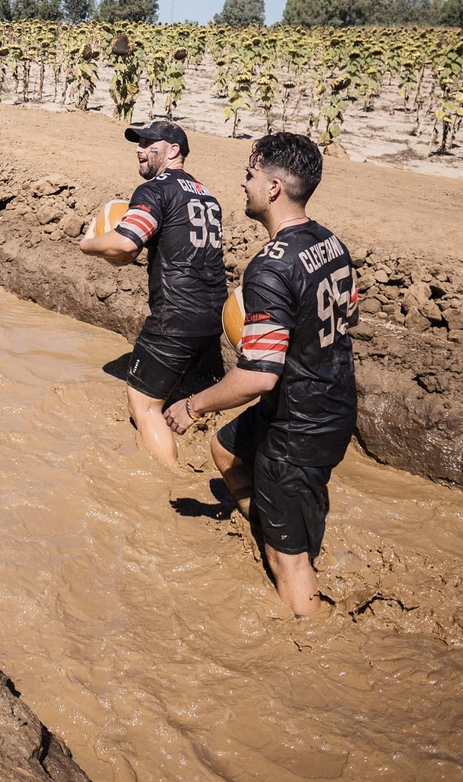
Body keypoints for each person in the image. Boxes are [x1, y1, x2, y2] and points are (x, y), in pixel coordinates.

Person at [166, 133, 358, 617]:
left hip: (296, 428)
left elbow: (259, 377)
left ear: (273, 187)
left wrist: (192, 406)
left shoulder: (270, 269)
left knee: (287, 560)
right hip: (331, 404)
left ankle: (311, 639)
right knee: (226, 447)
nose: (243, 182)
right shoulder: (331, 242)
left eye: (250, 175)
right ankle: (267, 521)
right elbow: (345, 318)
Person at [79, 121, 225, 466]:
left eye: (148, 143)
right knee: (173, 395)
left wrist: (88, 245)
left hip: (175, 315)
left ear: (173, 150)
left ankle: (168, 479)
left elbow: (127, 241)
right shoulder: (208, 195)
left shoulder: (154, 190)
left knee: (143, 404)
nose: (139, 149)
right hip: (213, 314)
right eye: (138, 142)